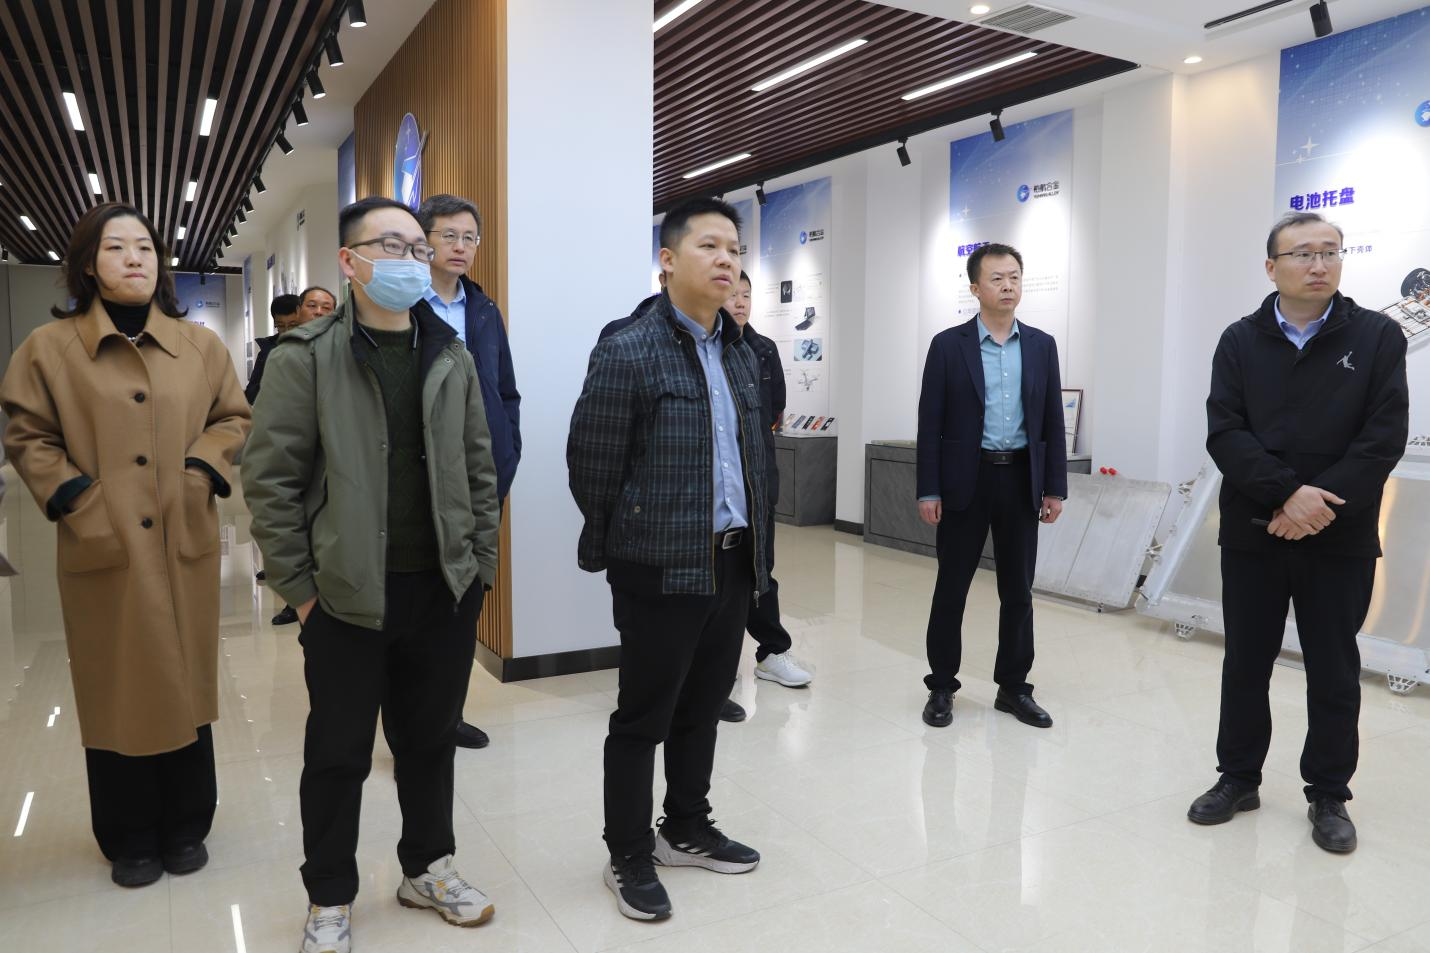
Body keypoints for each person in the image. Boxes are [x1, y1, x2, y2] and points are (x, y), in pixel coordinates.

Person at [242, 197, 502, 953]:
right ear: (350, 262)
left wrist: (479, 568)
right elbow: (271, 482)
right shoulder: (304, 357)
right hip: (344, 595)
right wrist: (300, 593)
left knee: (429, 741)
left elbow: (479, 469)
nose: (412, 260)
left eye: (419, 248)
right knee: (338, 753)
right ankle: (329, 894)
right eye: (392, 245)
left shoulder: (450, 354)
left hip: (441, 590)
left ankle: (427, 867)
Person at [0, 202, 251, 887]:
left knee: (187, 678)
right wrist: (77, 498)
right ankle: (129, 832)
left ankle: (188, 820)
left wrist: (200, 469)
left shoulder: (200, 347)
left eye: (145, 246)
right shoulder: (49, 350)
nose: (134, 257)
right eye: (116, 247)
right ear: (88, 263)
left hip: (182, 535)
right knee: (115, 684)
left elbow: (232, 417)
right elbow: (27, 433)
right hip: (102, 543)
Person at [569, 196, 771, 922]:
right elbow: (592, 466)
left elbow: (755, 461)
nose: (726, 260)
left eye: (734, 249)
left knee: (705, 705)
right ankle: (627, 850)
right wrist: (629, 543)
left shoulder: (740, 351)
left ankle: (685, 824)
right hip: (658, 565)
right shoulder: (628, 349)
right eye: (709, 246)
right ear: (667, 259)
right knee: (642, 717)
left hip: (732, 561)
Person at [1188, 211, 1408, 854]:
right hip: (1256, 529)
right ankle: (1238, 777)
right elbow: (1226, 431)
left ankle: (1329, 792)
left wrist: (1316, 505)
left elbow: (1383, 437)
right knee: (1245, 661)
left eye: (1330, 252)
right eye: (1304, 254)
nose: (1319, 265)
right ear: (1271, 267)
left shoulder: (1376, 335)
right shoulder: (1240, 340)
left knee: (1334, 667)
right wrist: (1287, 493)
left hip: (1339, 533)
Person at [915, 242, 1066, 730]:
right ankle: (941, 685)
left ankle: (1014, 687)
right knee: (952, 586)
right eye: (997, 278)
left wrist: (1054, 487)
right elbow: (930, 423)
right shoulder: (948, 345)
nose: (1008, 286)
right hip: (966, 479)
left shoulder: (1041, 345)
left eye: (1015, 277)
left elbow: (1051, 421)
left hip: (1020, 478)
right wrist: (929, 489)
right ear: (975, 287)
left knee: (1018, 590)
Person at [416, 193, 522, 751]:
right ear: (424, 242)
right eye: (449, 235)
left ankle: (448, 715)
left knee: (466, 605)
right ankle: (415, 725)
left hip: (482, 479)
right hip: (423, 477)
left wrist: (508, 451)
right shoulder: (405, 306)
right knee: (421, 606)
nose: (461, 246)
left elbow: (506, 390)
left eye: (470, 237)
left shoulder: (483, 309)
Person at [723, 271, 813, 697]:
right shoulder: (706, 349)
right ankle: (714, 664)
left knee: (761, 568)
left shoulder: (763, 349)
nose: (740, 302)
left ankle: (772, 652)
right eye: (732, 295)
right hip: (717, 483)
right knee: (717, 575)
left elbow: (775, 408)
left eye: (746, 295)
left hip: (757, 479)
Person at [253, 288, 335, 624]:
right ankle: (295, 598)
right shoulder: (279, 354)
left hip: (329, 462)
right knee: (291, 522)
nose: (318, 311)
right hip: (293, 453)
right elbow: (254, 393)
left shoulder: (341, 350)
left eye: (326, 306)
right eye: (312, 305)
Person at [245, 293, 300, 404]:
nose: (287, 331)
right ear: (275, 323)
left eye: (293, 325)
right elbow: (251, 393)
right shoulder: (267, 352)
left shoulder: (313, 348)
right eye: (281, 325)